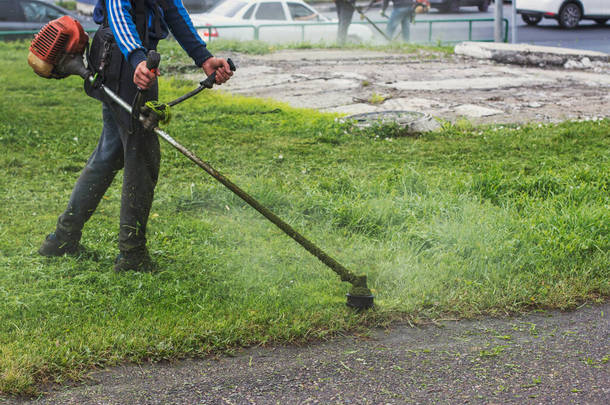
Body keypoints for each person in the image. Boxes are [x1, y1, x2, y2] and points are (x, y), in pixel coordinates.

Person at [38, 0, 233, 271]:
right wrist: (137, 58)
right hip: (125, 61)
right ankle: (132, 254)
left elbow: (172, 8)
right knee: (142, 156)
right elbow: (118, 11)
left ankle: (62, 238)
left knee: (110, 152)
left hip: (127, 59)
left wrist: (203, 57)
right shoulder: (133, 54)